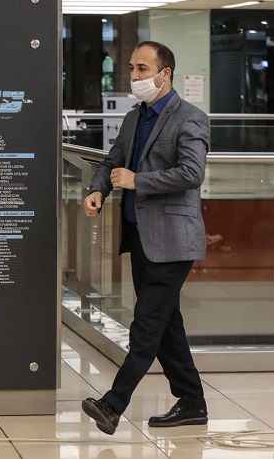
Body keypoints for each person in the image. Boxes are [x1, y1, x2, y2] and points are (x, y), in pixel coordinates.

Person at [81, 41, 210, 435]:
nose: (134, 76)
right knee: (166, 325)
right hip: (140, 237)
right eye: (132, 69)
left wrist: (139, 181)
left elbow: (192, 173)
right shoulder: (135, 117)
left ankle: (112, 405)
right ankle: (192, 402)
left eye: (142, 69)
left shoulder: (190, 118)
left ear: (164, 73)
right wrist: (98, 189)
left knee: (147, 325)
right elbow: (112, 160)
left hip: (173, 241)